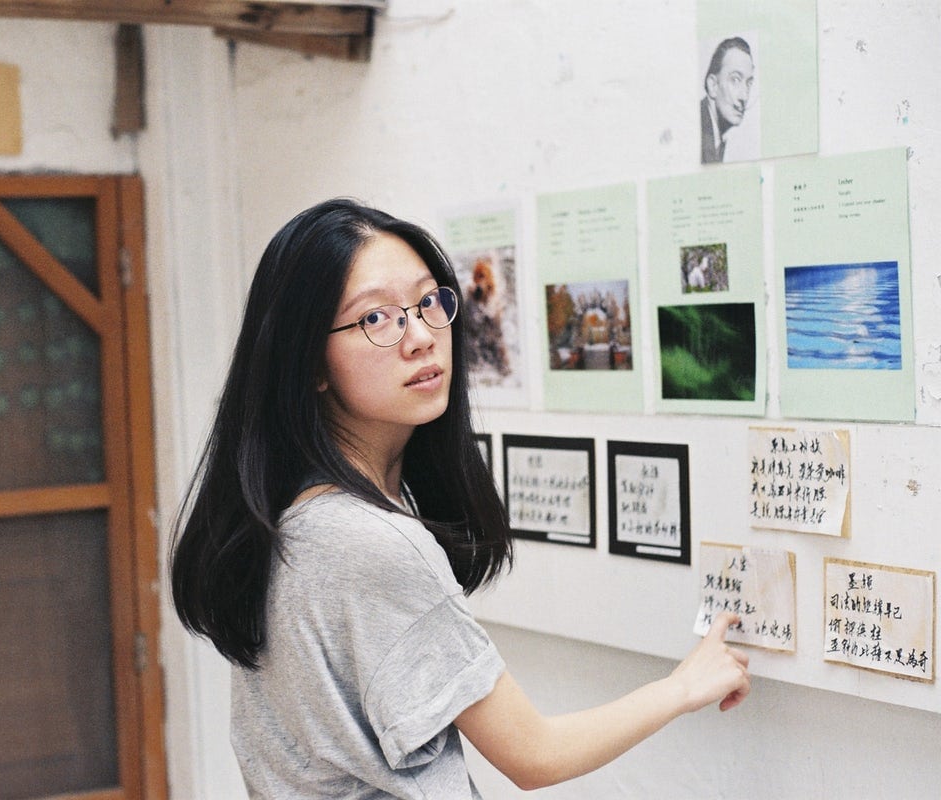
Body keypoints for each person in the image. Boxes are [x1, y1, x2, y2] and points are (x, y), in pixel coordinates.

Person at [170, 198, 751, 797]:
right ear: (309, 361)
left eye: (428, 303)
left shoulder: (284, 515)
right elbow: (534, 755)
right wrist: (683, 687)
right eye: (375, 318)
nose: (422, 337)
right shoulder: (369, 544)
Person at [701, 37, 755, 163]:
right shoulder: (696, 134)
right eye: (735, 80)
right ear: (713, 85)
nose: (744, 97)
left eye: (748, 83)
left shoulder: (714, 136)